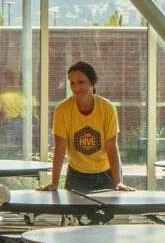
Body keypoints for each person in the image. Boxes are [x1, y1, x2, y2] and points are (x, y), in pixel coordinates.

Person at [49, 61, 123, 195]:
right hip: (77, 175)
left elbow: (111, 147)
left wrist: (117, 181)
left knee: (107, 209)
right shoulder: (62, 109)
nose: (76, 88)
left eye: (81, 82)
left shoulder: (107, 108)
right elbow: (60, 148)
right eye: (72, 83)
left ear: (92, 82)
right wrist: (54, 183)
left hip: (106, 173)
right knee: (72, 209)